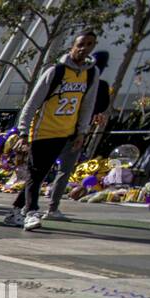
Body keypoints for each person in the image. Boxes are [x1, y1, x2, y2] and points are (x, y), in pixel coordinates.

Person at [5, 27, 100, 231]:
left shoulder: (91, 74)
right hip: (41, 131)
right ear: (72, 46)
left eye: (89, 45)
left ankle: (14, 211)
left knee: (37, 175)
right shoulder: (56, 72)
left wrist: (81, 131)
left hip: (65, 132)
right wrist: (23, 132)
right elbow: (32, 103)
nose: (84, 49)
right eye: (80, 44)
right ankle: (31, 212)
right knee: (35, 172)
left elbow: (87, 106)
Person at [48, 48, 112, 220]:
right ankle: (52, 207)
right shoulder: (98, 85)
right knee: (64, 170)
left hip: (59, 127)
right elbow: (100, 107)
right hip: (75, 130)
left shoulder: (76, 79)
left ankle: (30, 206)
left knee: (42, 168)